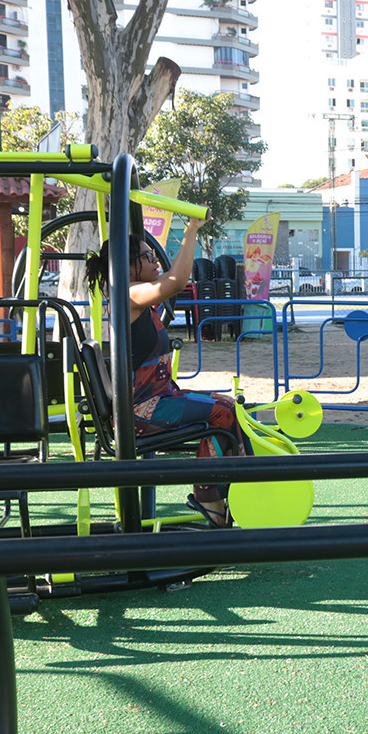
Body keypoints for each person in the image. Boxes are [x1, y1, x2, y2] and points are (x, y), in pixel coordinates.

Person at [85, 217, 250, 529]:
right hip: (142, 411)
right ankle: (210, 498)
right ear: (129, 265)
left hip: (158, 400)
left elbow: (169, 288)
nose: (156, 260)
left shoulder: (138, 300)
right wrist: (191, 230)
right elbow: (175, 282)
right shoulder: (129, 295)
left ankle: (233, 490)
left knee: (229, 407)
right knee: (222, 413)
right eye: (148, 257)